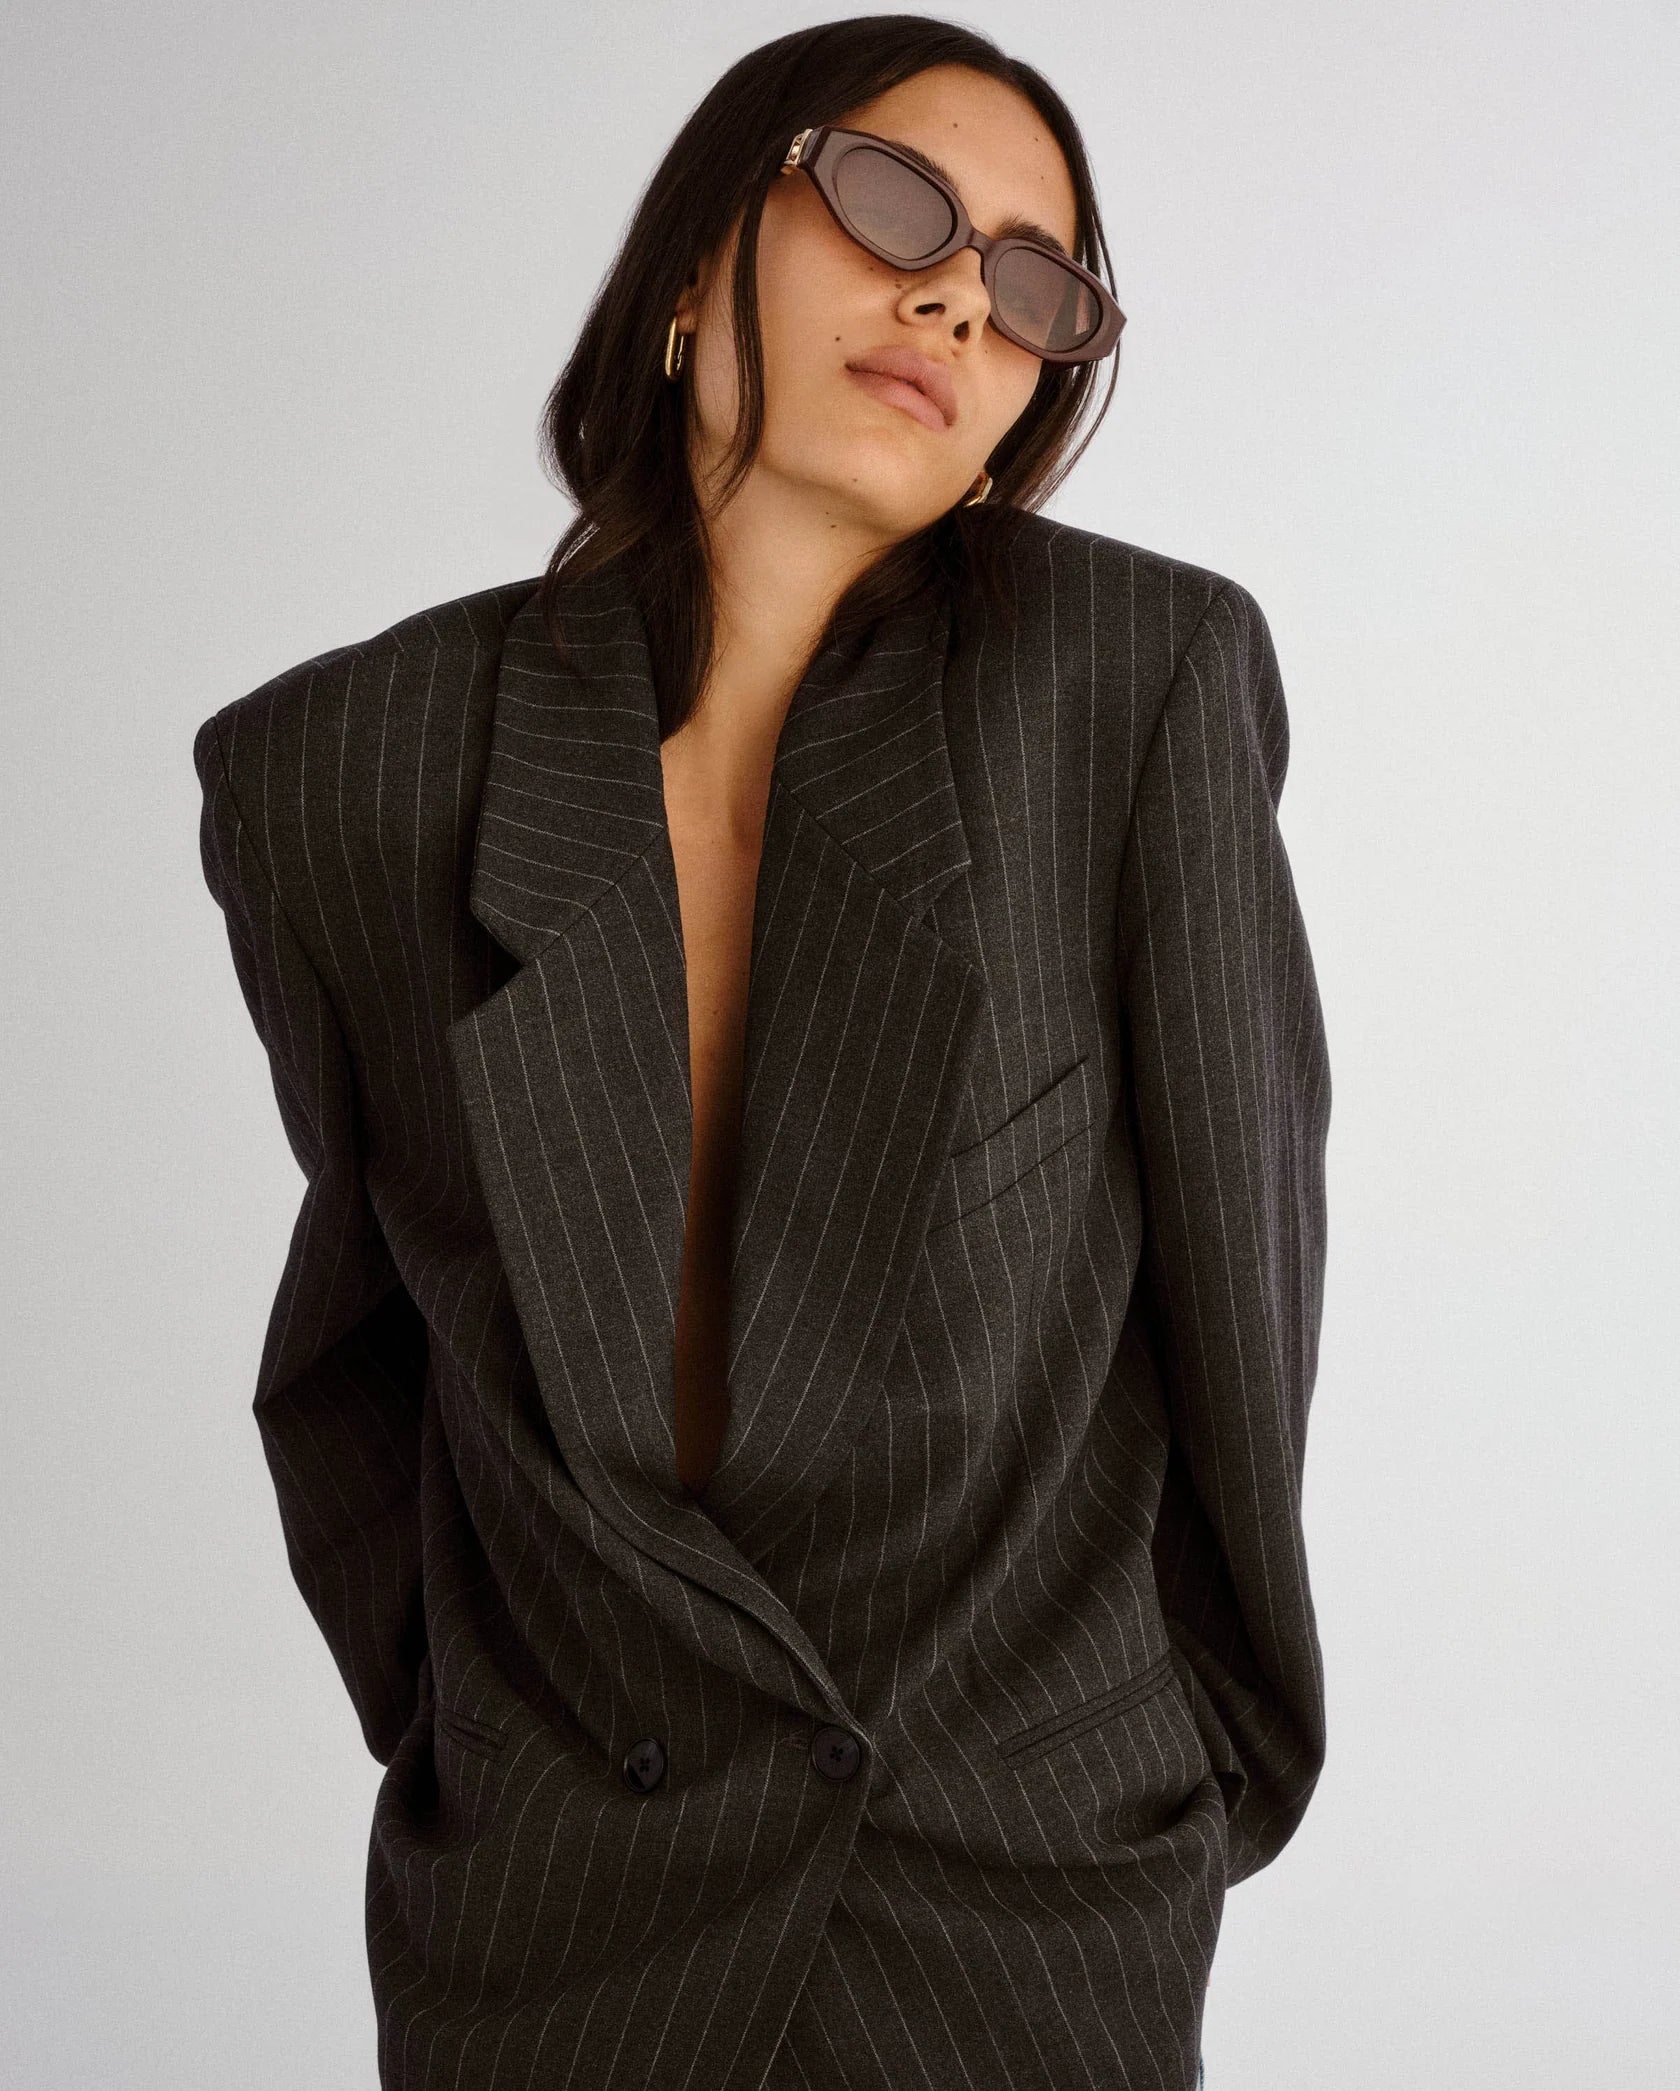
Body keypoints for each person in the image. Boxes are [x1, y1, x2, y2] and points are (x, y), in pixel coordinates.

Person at [192, 16, 1328, 2090]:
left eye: (1037, 284)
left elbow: (1239, 1305)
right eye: (894, 203)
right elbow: (361, 1351)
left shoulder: (1132, 688)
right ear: (697, 257)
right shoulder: (344, 774)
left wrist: (1153, 1795)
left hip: (1014, 1913)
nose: (959, 299)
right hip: (560, 1931)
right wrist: (496, 1760)